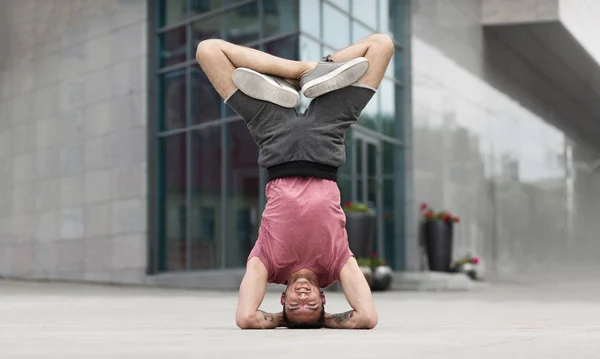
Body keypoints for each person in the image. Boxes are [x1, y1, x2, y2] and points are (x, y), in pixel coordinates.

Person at [195, 33, 394, 329]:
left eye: (294, 305)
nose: (302, 298)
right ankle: (314, 73)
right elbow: (367, 316)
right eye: (311, 304)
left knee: (208, 50)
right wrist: (322, 321)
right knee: (382, 45)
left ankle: (293, 73)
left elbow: (246, 317)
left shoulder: (268, 264)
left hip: (274, 137)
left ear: (282, 298)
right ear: (324, 299)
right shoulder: (336, 265)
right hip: (327, 133)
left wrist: (282, 321)